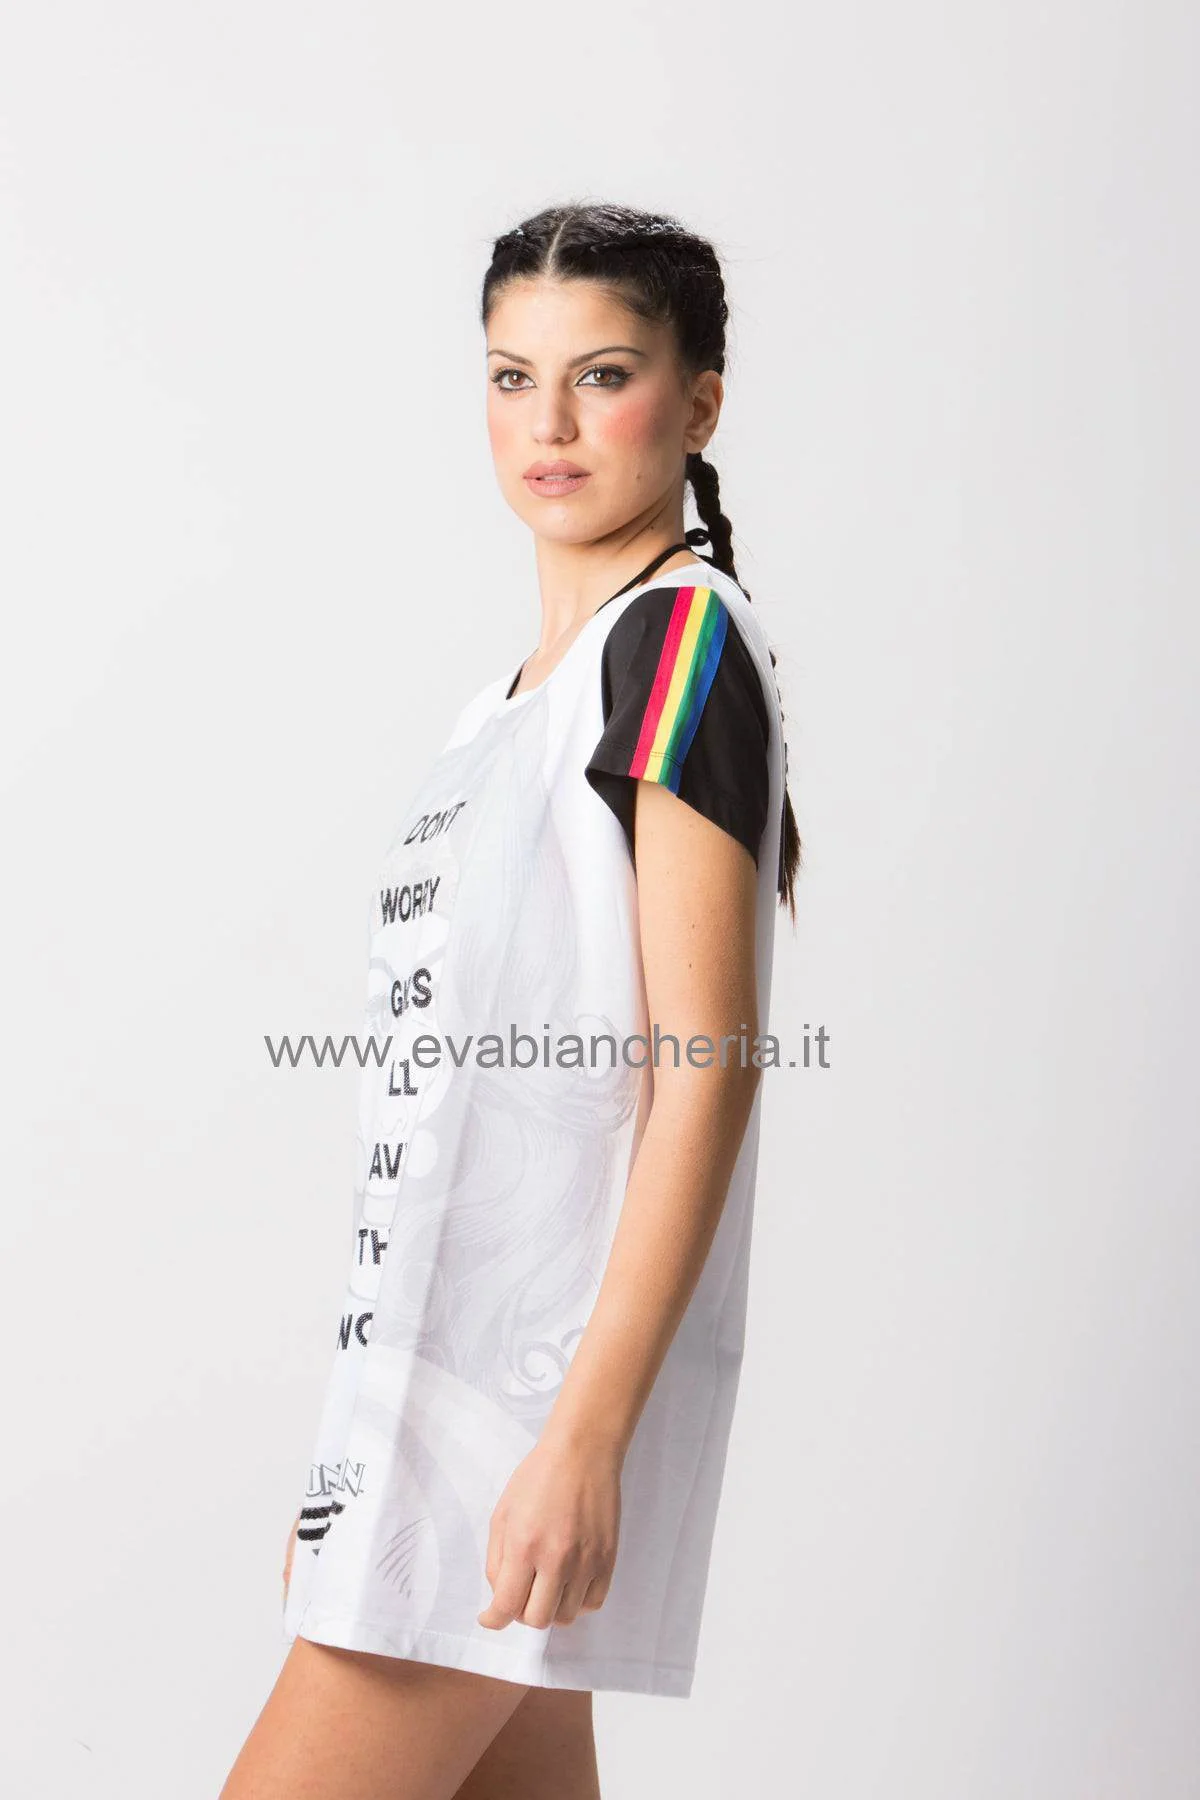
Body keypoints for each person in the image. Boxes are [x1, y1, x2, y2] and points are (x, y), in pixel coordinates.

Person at [220, 199, 802, 1800]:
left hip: (524, 1422)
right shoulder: (501, 713)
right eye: (509, 376)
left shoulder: (677, 643)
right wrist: (358, 1456)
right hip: (440, 1414)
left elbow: (706, 1068)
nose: (547, 423)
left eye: (601, 374)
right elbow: (448, 1136)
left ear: (698, 403)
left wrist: (588, 1438)